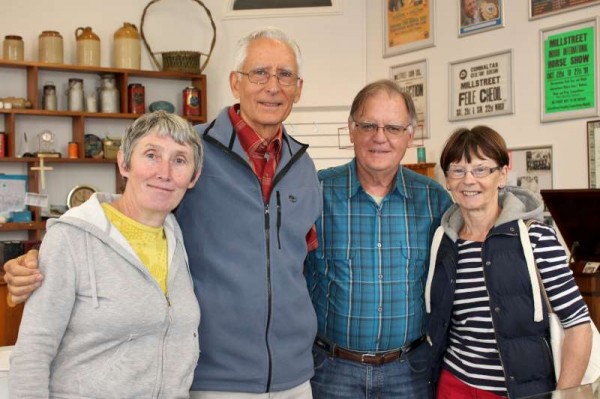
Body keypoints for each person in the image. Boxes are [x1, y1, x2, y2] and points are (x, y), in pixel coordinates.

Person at [4, 27, 321, 398]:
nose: (273, 86)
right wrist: (43, 257)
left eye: (285, 75)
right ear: (235, 82)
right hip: (213, 377)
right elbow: (124, 215)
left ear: (298, 88)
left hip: (294, 377)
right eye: (260, 73)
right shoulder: (190, 149)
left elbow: (302, 261)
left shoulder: (304, 167)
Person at [9, 111, 203, 398]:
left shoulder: (178, 236)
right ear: (124, 163)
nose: (164, 172)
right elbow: (33, 352)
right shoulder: (71, 238)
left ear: (193, 177)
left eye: (179, 160)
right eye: (151, 155)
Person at [305, 79, 453, 398]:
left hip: (409, 373)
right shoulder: (315, 193)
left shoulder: (434, 200)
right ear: (351, 129)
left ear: (410, 134)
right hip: (331, 371)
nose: (380, 138)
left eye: (394, 128)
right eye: (369, 125)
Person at [425, 126, 592, 399]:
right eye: (458, 170)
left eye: (481, 169)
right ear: (448, 180)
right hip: (453, 386)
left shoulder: (535, 237)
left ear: (502, 175)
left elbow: (577, 325)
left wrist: (565, 396)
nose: (469, 180)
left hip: (517, 391)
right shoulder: (443, 241)